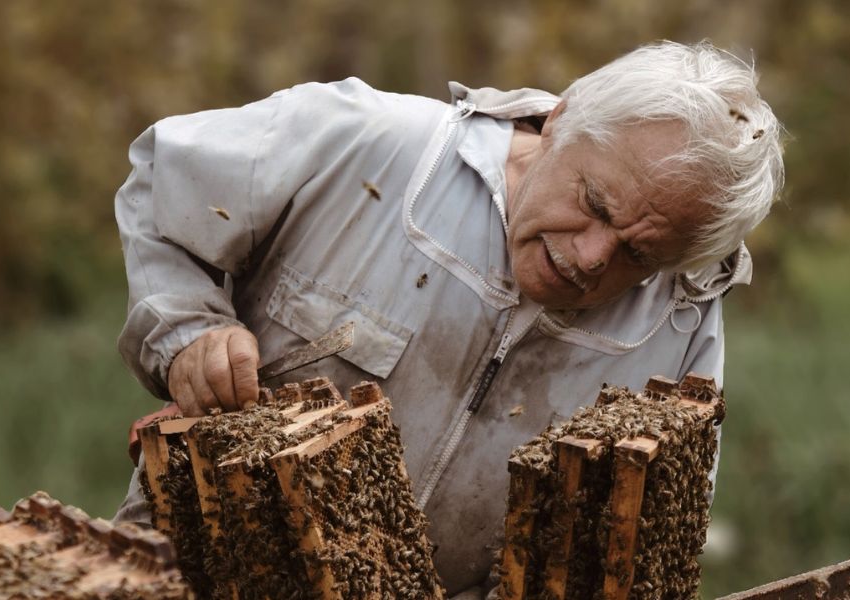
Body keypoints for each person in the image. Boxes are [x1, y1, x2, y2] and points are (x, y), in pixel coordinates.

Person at [112, 40, 783, 597]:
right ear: (561, 120)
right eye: (596, 203)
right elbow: (162, 188)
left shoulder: (682, 321)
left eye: (638, 253)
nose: (588, 257)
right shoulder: (367, 140)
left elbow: (635, 545)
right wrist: (189, 332)